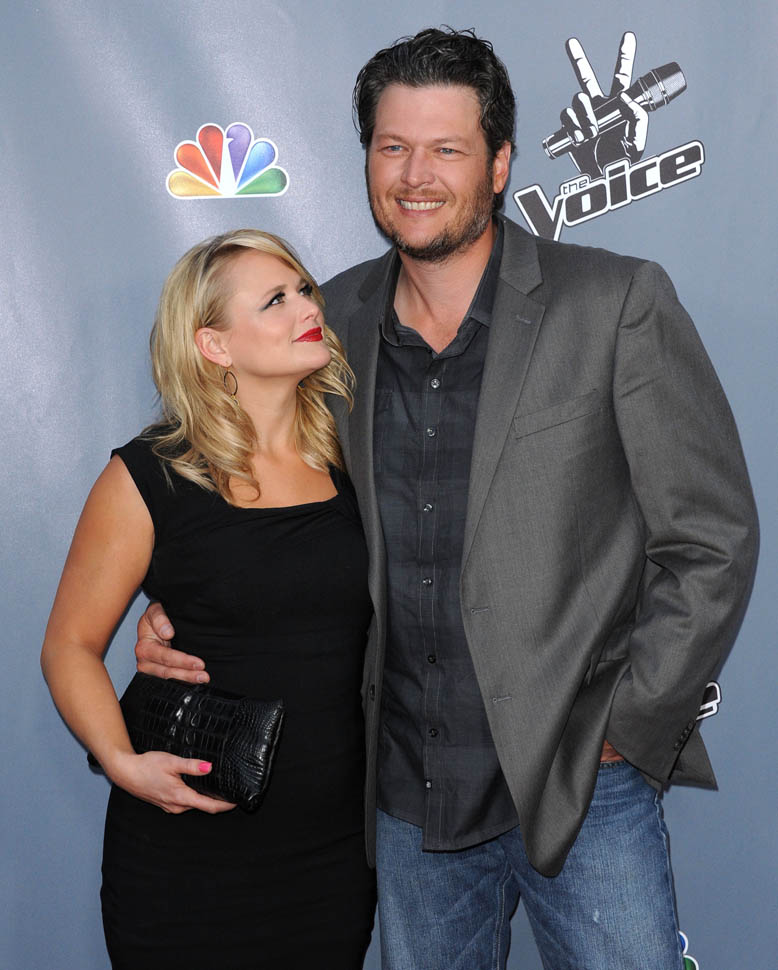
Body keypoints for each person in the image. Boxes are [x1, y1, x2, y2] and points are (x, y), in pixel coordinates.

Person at [135, 28, 759, 970]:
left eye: (447, 149)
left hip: (582, 783)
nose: (415, 175)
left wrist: (630, 727)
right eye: (393, 146)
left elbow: (711, 534)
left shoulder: (613, 303)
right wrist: (181, 606)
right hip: (403, 791)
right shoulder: (327, 325)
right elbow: (247, 485)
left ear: (499, 165)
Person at [40, 229, 376, 969]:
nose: (308, 308)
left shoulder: (353, 458)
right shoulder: (150, 475)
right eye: (275, 300)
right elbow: (69, 645)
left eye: (304, 289)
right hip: (186, 856)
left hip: (330, 856)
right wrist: (122, 762)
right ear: (214, 345)